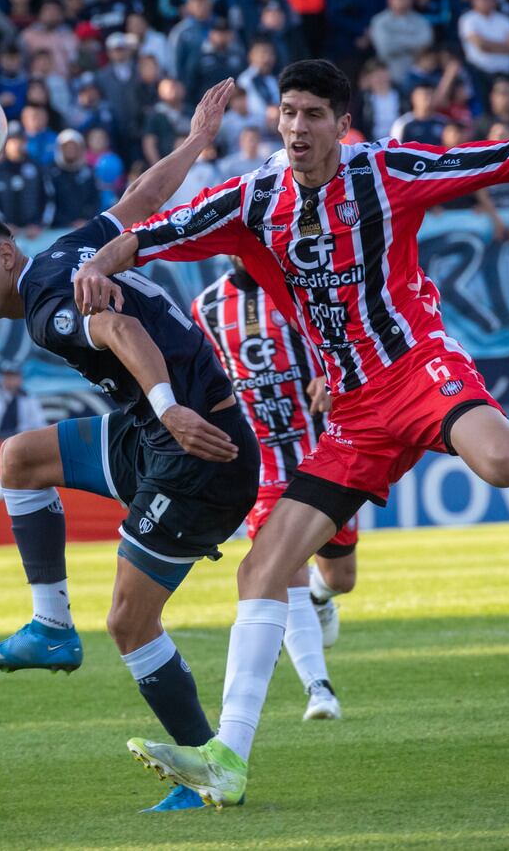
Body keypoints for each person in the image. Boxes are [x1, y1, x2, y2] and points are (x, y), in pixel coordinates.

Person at [73, 59, 509, 808]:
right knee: (262, 571)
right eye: (288, 112)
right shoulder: (251, 199)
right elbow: (153, 232)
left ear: (342, 125)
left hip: (416, 369)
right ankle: (229, 759)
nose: (297, 127)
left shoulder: (385, 172)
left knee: (507, 462)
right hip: (352, 413)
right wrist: (98, 264)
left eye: (315, 114)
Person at [0, 80, 260, 815]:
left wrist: (169, 407)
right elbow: (143, 198)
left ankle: (207, 770)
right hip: (153, 434)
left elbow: (120, 330)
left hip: (199, 451)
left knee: (127, 620)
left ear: (5, 254)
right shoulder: (67, 250)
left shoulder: (48, 308)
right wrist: (195, 141)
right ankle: (51, 626)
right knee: (19, 458)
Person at [191, 256, 357, 721]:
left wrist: (329, 374)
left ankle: (324, 600)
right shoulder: (205, 307)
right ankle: (319, 690)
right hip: (260, 464)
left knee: (340, 578)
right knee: (285, 573)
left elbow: (341, 341)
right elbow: (203, 378)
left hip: (323, 453)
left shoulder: (299, 289)